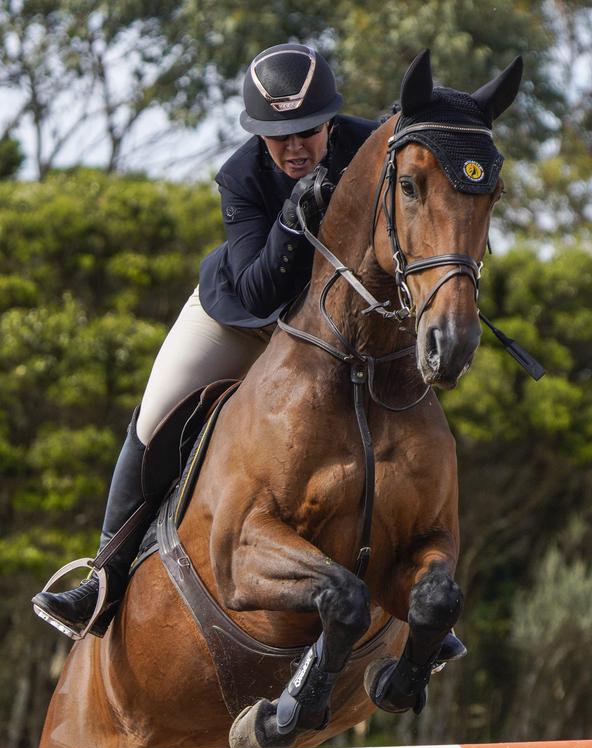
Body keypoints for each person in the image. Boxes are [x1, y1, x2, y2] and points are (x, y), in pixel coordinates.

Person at [32, 43, 378, 640]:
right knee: (154, 419)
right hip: (239, 320)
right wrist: (296, 211)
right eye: (277, 136)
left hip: (329, 332)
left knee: (397, 414)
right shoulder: (241, 178)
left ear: (330, 121)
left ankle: (407, 586)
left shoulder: (369, 147)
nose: (294, 147)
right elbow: (257, 287)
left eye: (305, 131)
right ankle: (104, 579)